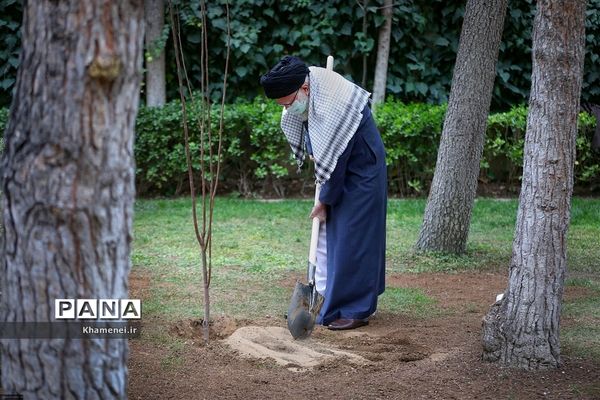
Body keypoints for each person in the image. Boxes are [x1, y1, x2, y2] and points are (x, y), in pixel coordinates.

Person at [260, 55, 387, 331]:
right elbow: (312, 131)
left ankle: (356, 309)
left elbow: (337, 157)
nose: (287, 110)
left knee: (355, 238)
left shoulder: (331, 104)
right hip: (344, 164)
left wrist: (325, 200)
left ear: (304, 89)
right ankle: (328, 301)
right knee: (332, 238)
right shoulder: (307, 87)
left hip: (363, 169)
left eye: (288, 103)